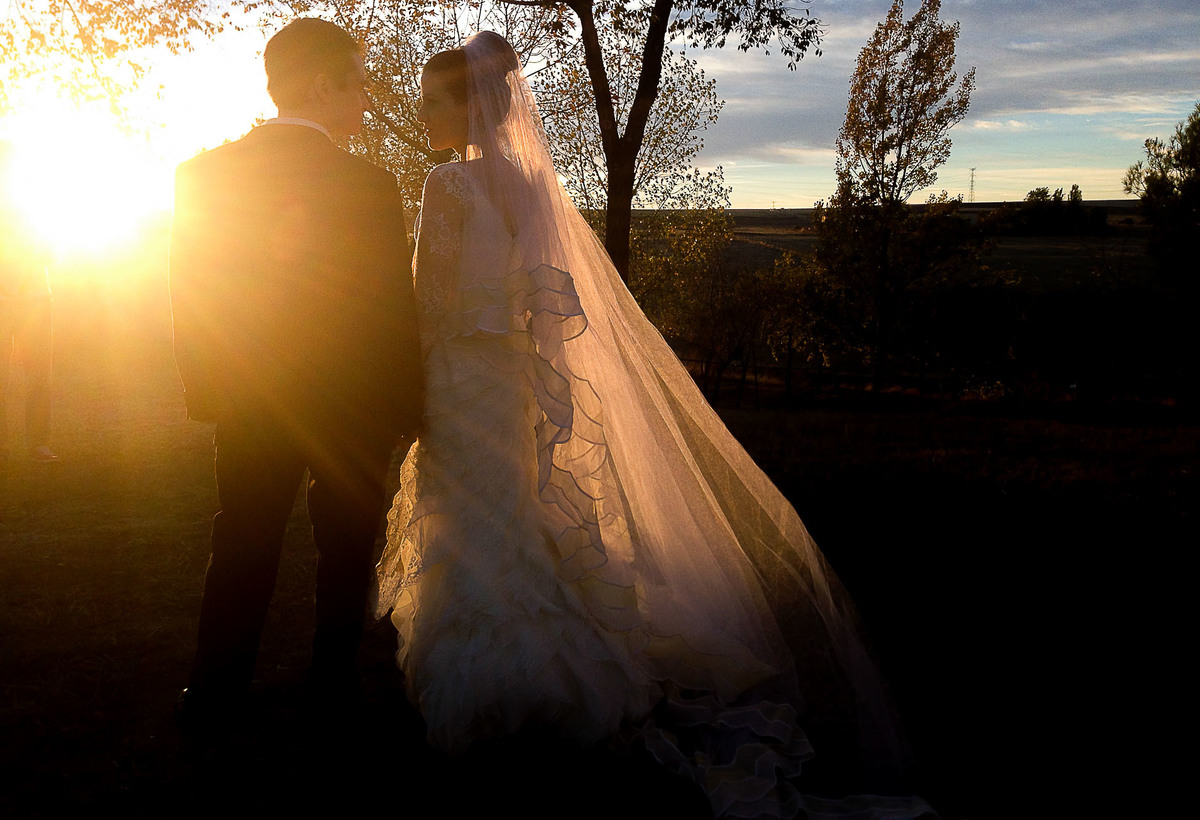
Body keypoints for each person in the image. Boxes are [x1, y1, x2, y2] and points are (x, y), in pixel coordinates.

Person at [374, 32, 931, 819]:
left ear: (468, 102)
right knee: (522, 517)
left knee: (472, 518)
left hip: (463, 378)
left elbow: (427, 304)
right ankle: (559, 670)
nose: (421, 111)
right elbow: (549, 298)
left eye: (432, 98)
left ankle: (488, 682)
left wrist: (413, 388)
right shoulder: (533, 185)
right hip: (517, 380)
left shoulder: (446, 185)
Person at [169, 18, 422, 721]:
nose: (367, 100)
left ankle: (214, 691)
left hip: (251, 401)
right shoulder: (371, 185)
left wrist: (208, 388)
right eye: (359, 82)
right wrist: (406, 405)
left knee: (243, 538)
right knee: (345, 550)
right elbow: (388, 309)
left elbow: (189, 291)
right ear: (321, 83)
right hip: (351, 410)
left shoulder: (204, 173)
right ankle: (330, 685)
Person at [0, 140, 58, 466]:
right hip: (12, 301)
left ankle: (38, 444)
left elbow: (52, 253)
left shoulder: (37, 204)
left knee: (39, 377)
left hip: (36, 300)